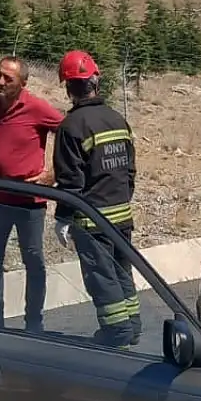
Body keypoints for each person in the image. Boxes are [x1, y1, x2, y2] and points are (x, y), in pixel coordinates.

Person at [0, 57, 63, 332]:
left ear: (23, 84)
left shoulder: (36, 107)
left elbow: (67, 133)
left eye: (8, 78)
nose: (0, 82)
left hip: (30, 199)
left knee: (34, 260)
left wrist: (54, 173)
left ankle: (34, 322)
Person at [53, 50, 140, 347]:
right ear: (96, 81)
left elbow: (70, 180)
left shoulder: (71, 127)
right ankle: (133, 325)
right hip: (122, 215)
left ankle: (118, 332)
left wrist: (63, 217)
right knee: (121, 272)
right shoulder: (117, 119)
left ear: (68, 87)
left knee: (102, 278)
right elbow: (129, 170)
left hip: (91, 220)